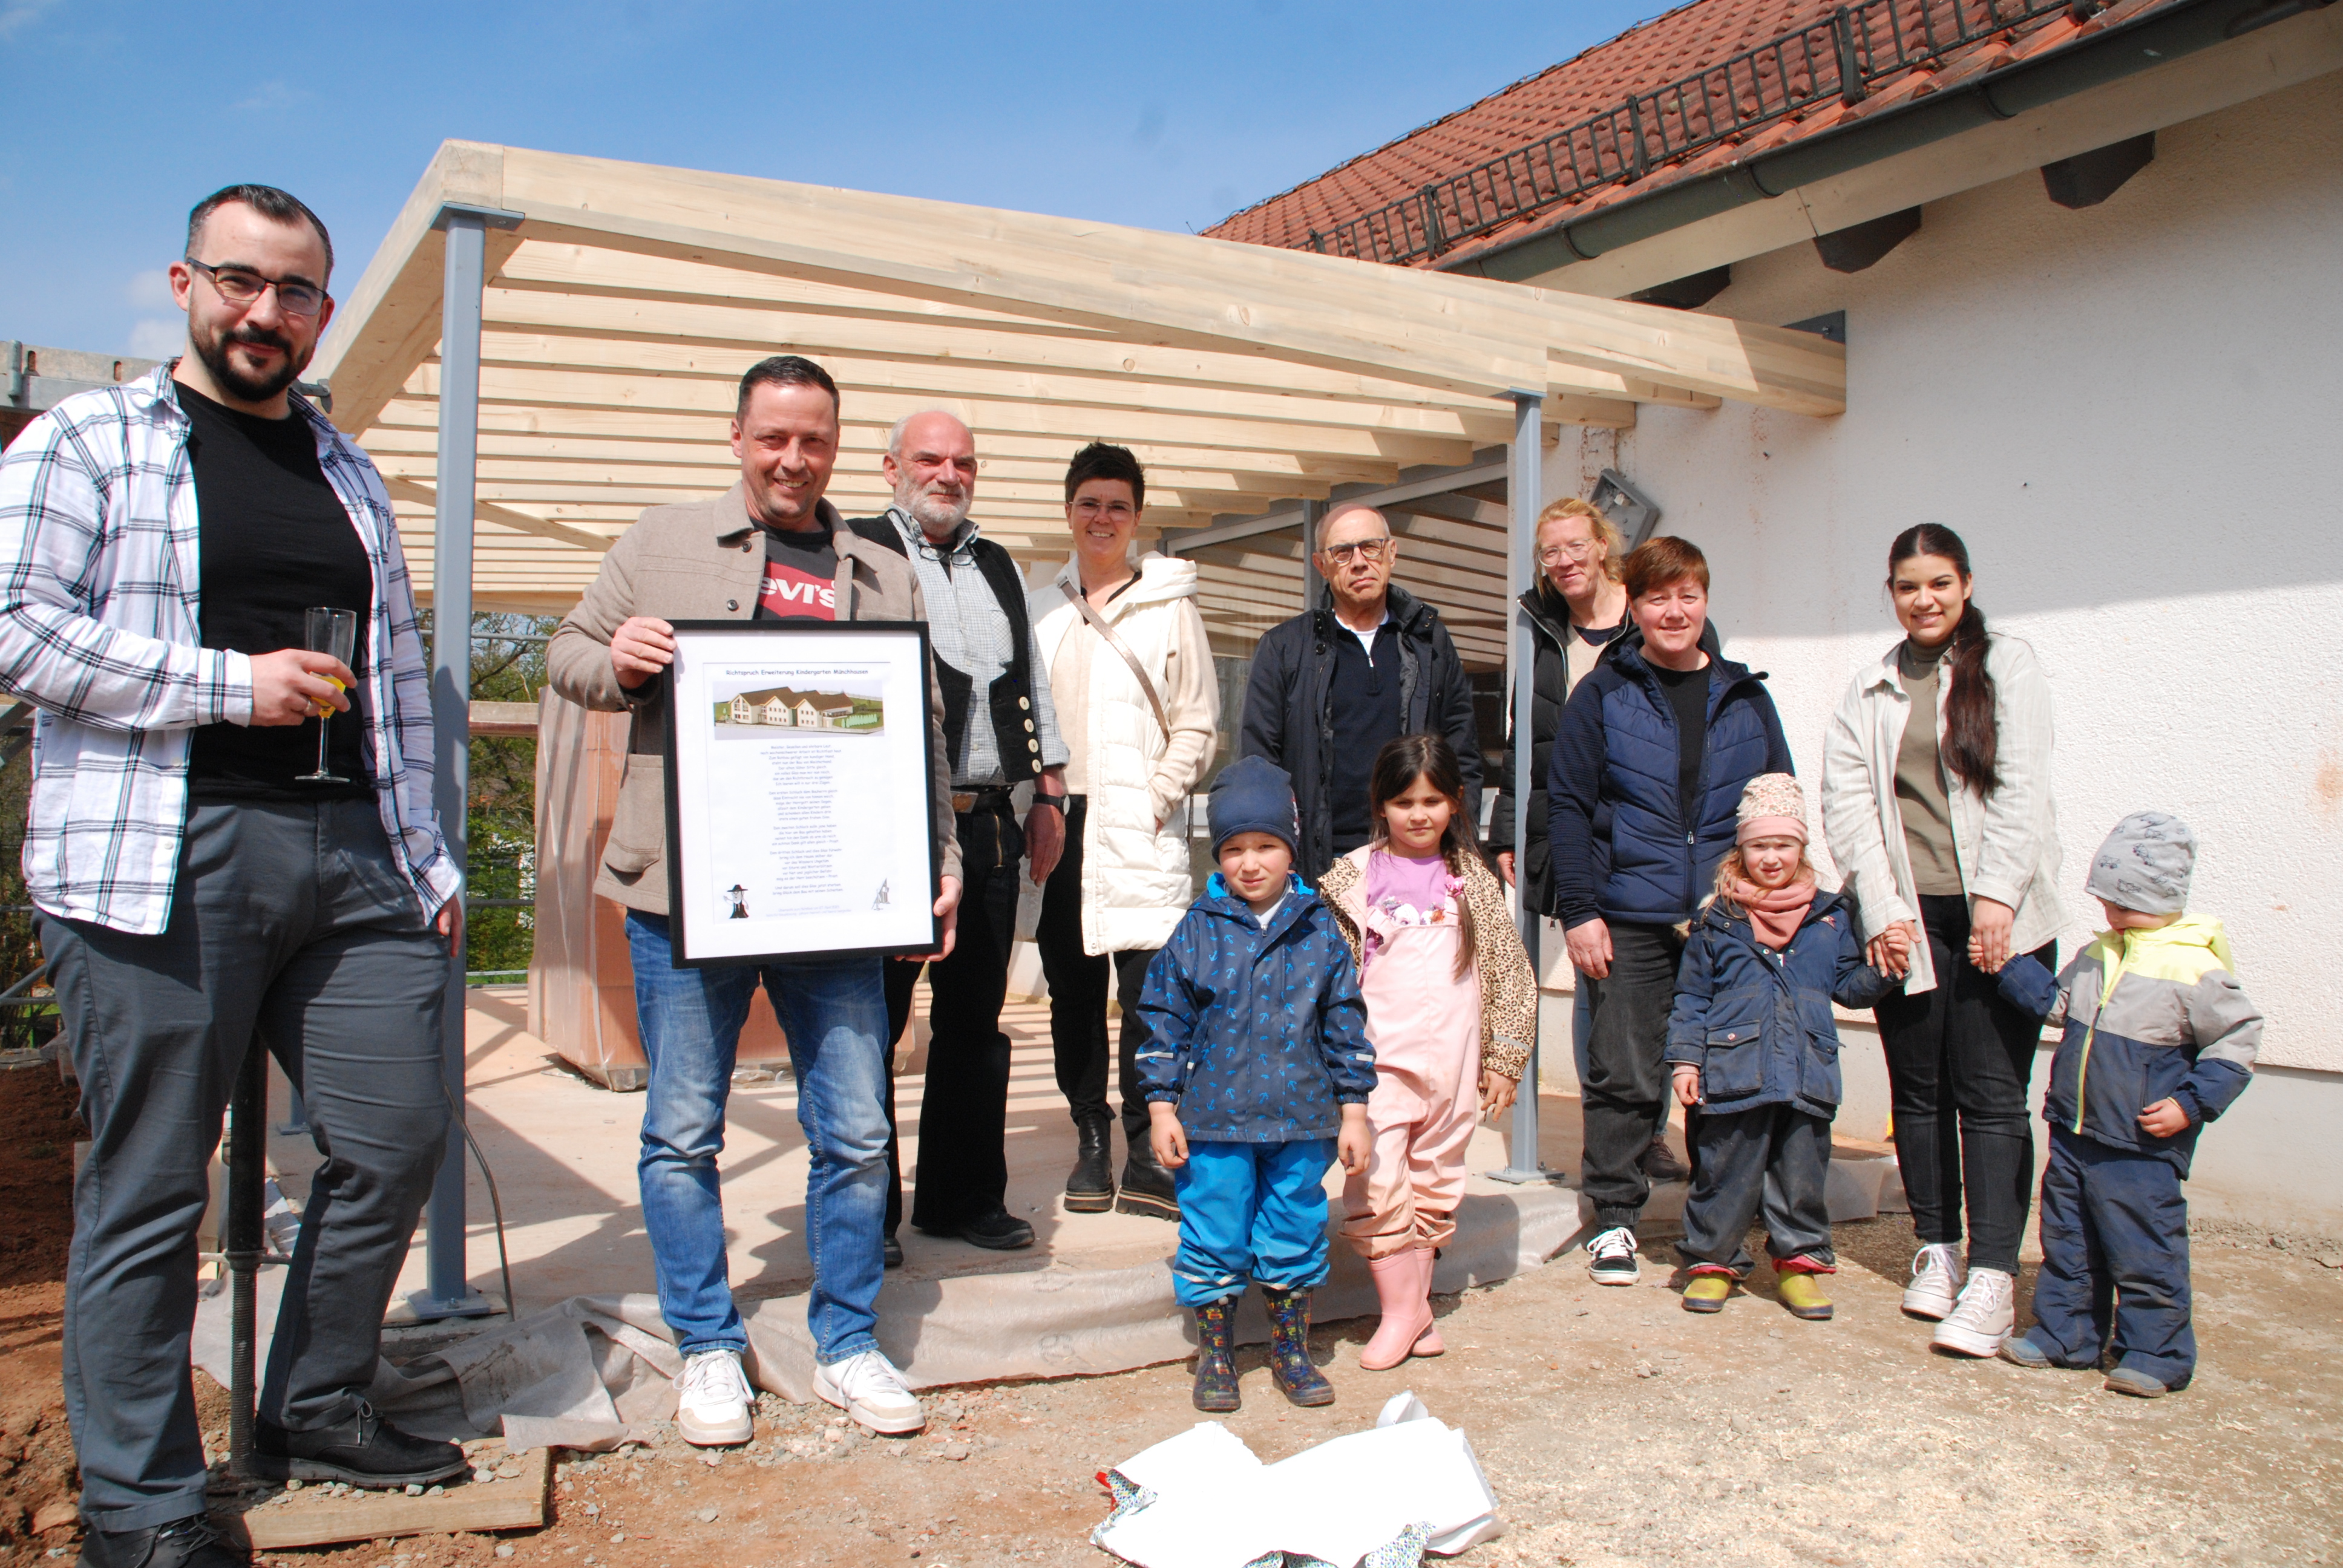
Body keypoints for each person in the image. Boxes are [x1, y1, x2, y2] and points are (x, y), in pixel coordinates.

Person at [0, 184, 466, 1565]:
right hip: (164, 849)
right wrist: (222, 685)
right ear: (185, 285)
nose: (268, 313)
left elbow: (392, 682)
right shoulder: (88, 441)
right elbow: (13, 627)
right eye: (240, 282)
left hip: (356, 854)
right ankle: (141, 1508)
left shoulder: (347, 468)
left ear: (321, 310)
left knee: (395, 1140)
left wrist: (428, 853)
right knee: (152, 1182)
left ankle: (317, 1399)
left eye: (296, 292)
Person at [546, 356, 960, 1442]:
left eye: (813, 440)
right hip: (689, 892)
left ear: (836, 447)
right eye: (773, 437)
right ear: (738, 438)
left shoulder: (881, 566)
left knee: (861, 1129)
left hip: (835, 899)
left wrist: (942, 856)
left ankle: (847, 1341)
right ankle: (707, 1347)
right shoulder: (660, 542)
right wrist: (622, 661)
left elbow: (915, 730)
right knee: (684, 1128)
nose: (792, 458)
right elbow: (566, 652)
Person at [1820, 523, 2063, 1357]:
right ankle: (1939, 1247)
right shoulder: (1873, 687)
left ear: (1965, 584)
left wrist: (1997, 898)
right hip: (1907, 920)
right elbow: (1848, 803)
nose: (1923, 600)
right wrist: (1883, 911)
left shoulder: (2008, 666)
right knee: (1919, 1091)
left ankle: (1995, 1277)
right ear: (1891, 592)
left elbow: (2023, 790)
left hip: (2002, 918)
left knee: (1993, 1094)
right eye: (1907, 585)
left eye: (1938, 584)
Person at [846, 410, 1067, 1255]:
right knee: (872, 1022)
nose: (949, 473)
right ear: (892, 465)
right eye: (931, 459)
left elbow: (1032, 685)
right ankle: (865, 1214)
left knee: (976, 1021)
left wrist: (1050, 794)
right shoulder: (856, 549)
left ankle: (962, 1199)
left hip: (988, 823)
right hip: (889, 826)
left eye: (964, 461)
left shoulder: (999, 563)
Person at [1548, 536, 1792, 1287]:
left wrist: (1774, 895)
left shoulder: (1745, 697)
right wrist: (1580, 911)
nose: (1673, 611)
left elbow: (1776, 799)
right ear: (1635, 607)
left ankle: (1713, 1229)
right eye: (1657, 597)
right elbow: (1568, 805)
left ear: (1705, 601)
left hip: (1725, 918)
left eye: (1687, 595)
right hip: (1628, 912)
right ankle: (1614, 1220)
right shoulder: (1604, 692)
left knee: (1723, 1076)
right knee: (1623, 1071)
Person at [1135, 757, 1375, 1413]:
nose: (1249, 862)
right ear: (1217, 854)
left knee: (1294, 1233)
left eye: (1265, 845)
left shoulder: (1321, 930)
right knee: (1214, 1235)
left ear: (1289, 849)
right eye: (1233, 848)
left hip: (1301, 1124)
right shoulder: (1195, 931)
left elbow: (1344, 1026)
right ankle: (1216, 1355)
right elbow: (1163, 1022)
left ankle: (1289, 1351)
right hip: (1213, 1124)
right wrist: (1161, 1108)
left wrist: (1353, 1112)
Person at [1994, 814, 2261, 1397]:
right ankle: (2066, 1336)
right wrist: (2007, 967)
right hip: (2074, 1131)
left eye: (2127, 906)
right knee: (2068, 1239)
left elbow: (2236, 1043)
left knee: (2145, 1248)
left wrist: (2191, 1106)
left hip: (2142, 1145)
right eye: (2107, 903)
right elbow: (2058, 1003)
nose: (2113, 916)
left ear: (2163, 899)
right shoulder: (2099, 953)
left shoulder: (2195, 968)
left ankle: (2155, 1354)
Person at [1027, 443, 1217, 1220]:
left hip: (1140, 833)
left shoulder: (1172, 608)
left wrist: (1154, 798)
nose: (1100, 517)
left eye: (1116, 505)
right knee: (1071, 998)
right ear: (1068, 512)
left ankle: (1146, 1146)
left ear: (1136, 519)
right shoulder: (1040, 609)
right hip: (1061, 827)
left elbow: (1199, 720)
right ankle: (1091, 1139)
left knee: (1149, 1003)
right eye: (1088, 503)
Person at [1319, 734, 1533, 1369]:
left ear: (1456, 803)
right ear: (1380, 805)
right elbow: (1329, 979)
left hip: (1454, 1062)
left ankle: (1415, 1312)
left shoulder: (1473, 880)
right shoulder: (1350, 879)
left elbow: (1507, 971)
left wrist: (1505, 1055)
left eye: (1433, 801)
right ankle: (1399, 1314)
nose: (1418, 815)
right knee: (1377, 1180)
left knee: (1434, 1180)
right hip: (1376, 1063)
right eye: (1404, 801)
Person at [1486, 497, 1684, 1184]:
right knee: (1591, 976)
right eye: (1550, 552)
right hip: (1570, 827)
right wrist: (1508, 828)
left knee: (1649, 986)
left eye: (1575, 546)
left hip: (1646, 828)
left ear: (1602, 546)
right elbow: (1523, 740)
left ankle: (1650, 1131)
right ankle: (1613, 1132)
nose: (1564, 562)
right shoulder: (1539, 629)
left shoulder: (1651, 612)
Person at [1665, 776, 1896, 1321]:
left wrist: (1887, 971)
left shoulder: (1832, 915)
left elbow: (1847, 986)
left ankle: (1800, 1267)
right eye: (1760, 846)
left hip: (1805, 1070)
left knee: (1800, 1177)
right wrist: (1685, 1060)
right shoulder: (1717, 918)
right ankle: (1711, 1263)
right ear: (1741, 849)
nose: (1772, 858)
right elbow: (1692, 997)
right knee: (1724, 1173)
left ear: (1802, 847)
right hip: (1732, 1070)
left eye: (1784, 845)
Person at [1239, 504, 1483, 878]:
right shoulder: (1285, 648)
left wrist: (1459, 850)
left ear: (1391, 553)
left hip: (1416, 861)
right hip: (1321, 865)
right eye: (1342, 552)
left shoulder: (1429, 642)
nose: (1358, 562)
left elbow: (1461, 753)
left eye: (1370, 547)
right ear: (1322, 565)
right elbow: (1259, 765)